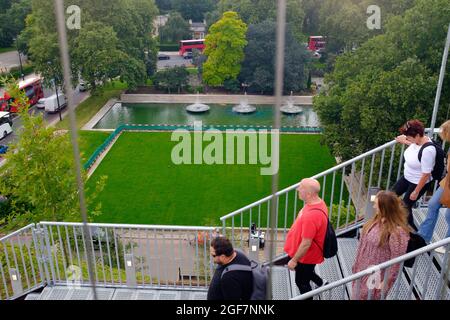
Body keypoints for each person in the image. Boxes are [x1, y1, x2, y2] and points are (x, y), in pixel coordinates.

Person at [351, 191, 411, 300]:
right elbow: (362, 245)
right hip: (362, 268)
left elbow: (397, 260)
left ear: (384, 208)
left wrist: (386, 281)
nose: (374, 206)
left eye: (376, 204)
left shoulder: (397, 232)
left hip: (377, 275)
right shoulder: (376, 221)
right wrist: (356, 264)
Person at [282, 178, 328, 297]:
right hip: (304, 254)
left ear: (308, 194)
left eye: (300, 187)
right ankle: (321, 283)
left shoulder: (311, 216)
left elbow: (306, 243)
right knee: (306, 272)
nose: (297, 189)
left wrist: (294, 260)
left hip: (306, 256)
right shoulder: (318, 202)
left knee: (301, 282)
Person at [393, 120, 436, 229]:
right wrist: (405, 141)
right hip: (407, 177)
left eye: (408, 137)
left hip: (418, 182)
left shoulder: (428, 151)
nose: (407, 138)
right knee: (389, 196)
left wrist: (416, 191)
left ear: (417, 135)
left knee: (405, 207)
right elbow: (416, 148)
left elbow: (426, 174)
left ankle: (412, 231)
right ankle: (392, 221)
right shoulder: (417, 142)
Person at [418, 120, 450, 249]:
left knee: (449, 215)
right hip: (447, 181)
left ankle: (447, 245)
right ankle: (423, 236)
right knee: (432, 204)